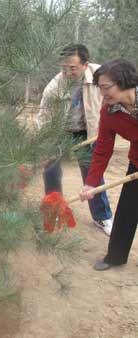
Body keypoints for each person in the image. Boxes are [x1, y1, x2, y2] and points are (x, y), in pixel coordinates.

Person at [36, 44, 113, 235]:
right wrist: (46, 144)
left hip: (87, 131)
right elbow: (43, 116)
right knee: (51, 171)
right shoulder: (55, 85)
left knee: (92, 173)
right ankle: (55, 209)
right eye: (64, 68)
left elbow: (117, 93)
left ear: (85, 65)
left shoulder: (101, 76)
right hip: (59, 132)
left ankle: (102, 216)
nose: (68, 73)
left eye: (73, 68)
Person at [80, 58, 138, 271]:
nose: (103, 94)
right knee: (127, 212)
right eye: (100, 89)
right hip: (137, 164)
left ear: (124, 82)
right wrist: (91, 183)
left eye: (106, 88)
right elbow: (103, 148)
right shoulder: (109, 113)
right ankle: (115, 256)